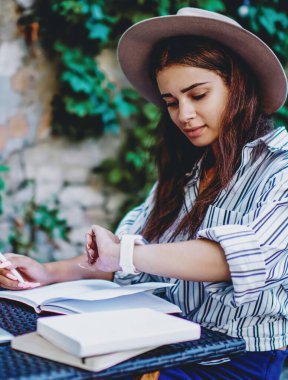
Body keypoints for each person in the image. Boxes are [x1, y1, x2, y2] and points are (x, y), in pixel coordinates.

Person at [0, 7, 288, 380]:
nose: (183, 114)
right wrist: (45, 272)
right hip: (163, 342)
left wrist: (125, 253)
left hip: (233, 360)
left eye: (198, 95)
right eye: (170, 102)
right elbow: (122, 258)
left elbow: (236, 260)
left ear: (241, 87)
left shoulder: (279, 166)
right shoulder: (188, 173)